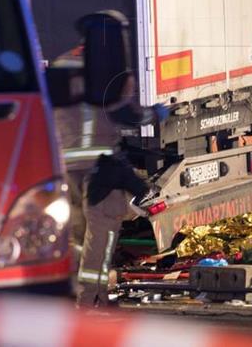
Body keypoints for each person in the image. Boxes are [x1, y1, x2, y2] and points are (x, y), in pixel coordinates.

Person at [53, 49, 168, 308]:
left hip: (66, 167)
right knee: (100, 240)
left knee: (78, 238)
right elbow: (127, 114)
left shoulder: (59, 73)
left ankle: (79, 296)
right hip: (100, 168)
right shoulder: (101, 76)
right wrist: (156, 114)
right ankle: (91, 300)